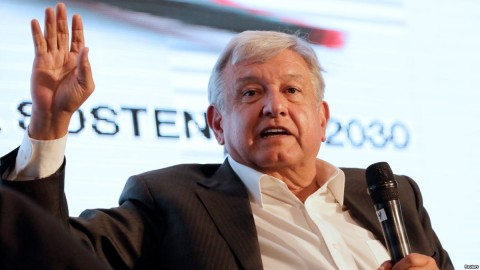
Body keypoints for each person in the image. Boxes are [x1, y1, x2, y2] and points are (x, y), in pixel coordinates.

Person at [0, 3, 453, 270]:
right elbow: (48, 254)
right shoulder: (170, 199)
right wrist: (49, 121)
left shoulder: (394, 194)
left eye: (292, 90)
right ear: (217, 123)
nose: (274, 106)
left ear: (322, 117)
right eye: (251, 92)